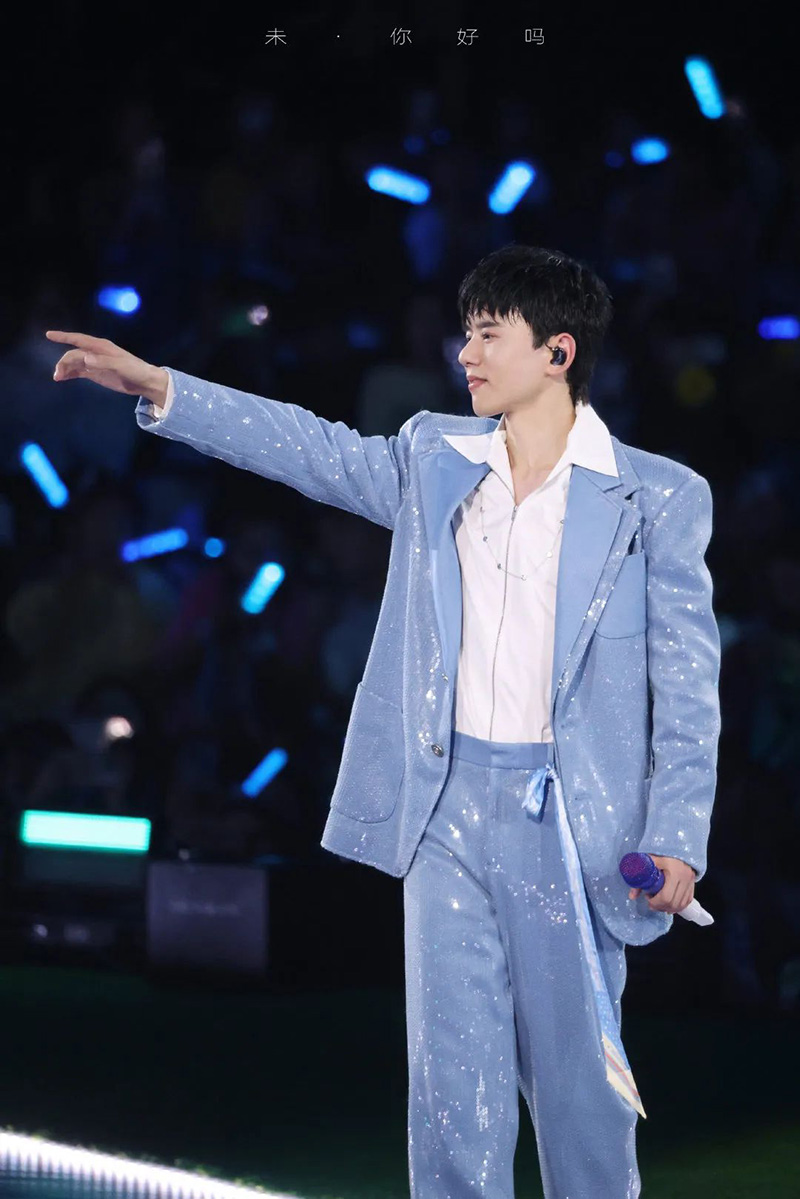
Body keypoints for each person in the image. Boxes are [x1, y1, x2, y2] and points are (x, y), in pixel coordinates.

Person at [46, 243, 721, 1199]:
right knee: (452, 1085)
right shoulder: (433, 458)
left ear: (558, 352)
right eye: (466, 333)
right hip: (443, 807)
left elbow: (688, 682)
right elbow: (306, 446)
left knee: (582, 1092)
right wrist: (161, 385)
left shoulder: (659, 495)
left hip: (571, 820)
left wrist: (677, 834)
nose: (465, 354)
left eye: (488, 334)